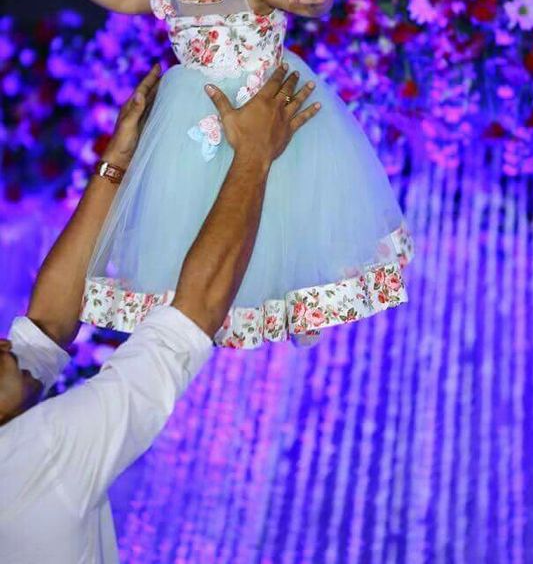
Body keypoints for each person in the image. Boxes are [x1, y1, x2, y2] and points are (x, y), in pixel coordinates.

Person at [47, 0, 413, 348]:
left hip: (266, 112)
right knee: (195, 215)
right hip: (195, 122)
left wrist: (312, 1)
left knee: (285, 208)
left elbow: (295, 0)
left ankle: (299, 302)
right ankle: (207, 303)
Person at [0, 62, 319, 564]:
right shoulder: (30, 461)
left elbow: (43, 331)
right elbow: (182, 327)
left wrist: (117, 162)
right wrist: (254, 154)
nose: (3, 344)